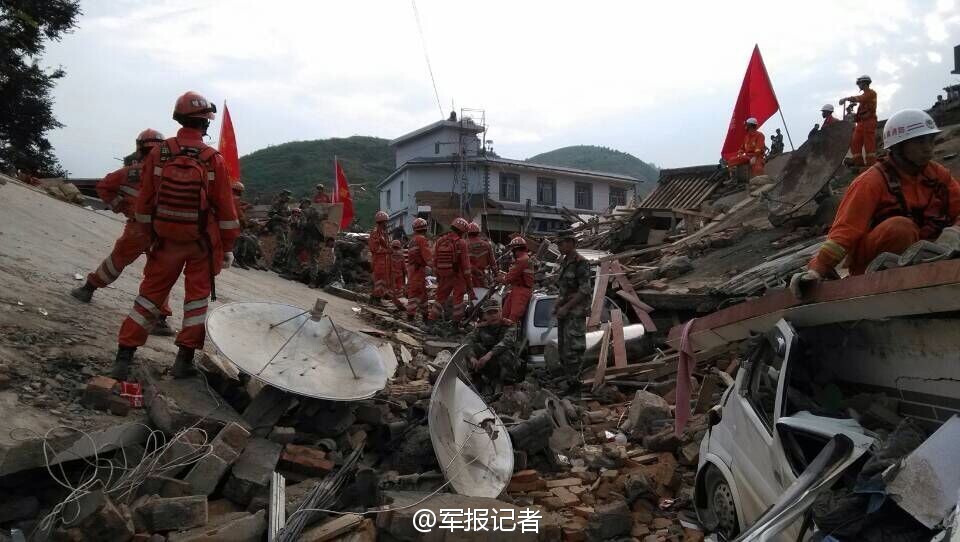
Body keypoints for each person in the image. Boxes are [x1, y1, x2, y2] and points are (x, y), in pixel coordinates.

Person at [112, 91, 240, 380]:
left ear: (179, 119)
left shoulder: (159, 153)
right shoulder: (213, 159)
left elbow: (145, 200)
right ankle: (183, 361)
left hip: (165, 240)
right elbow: (226, 209)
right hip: (201, 244)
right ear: (205, 123)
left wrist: (149, 234)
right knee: (196, 301)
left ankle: (124, 356)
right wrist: (228, 246)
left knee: (149, 296)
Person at [790, 109, 960, 297]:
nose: (928, 148)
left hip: (928, 255)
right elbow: (844, 233)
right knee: (900, 228)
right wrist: (817, 269)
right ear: (898, 146)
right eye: (920, 141)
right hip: (873, 265)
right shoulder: (871, 182)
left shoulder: (938, 175)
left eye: (930, 140)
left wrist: (955, 232)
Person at [71, 129, 175, 336]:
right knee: (160, 274)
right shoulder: (172, 174)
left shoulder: (130, 173)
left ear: (140, 148)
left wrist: (120, 205)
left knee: (117, 260)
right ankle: (160, 320)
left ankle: (88, 289)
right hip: (163, 231)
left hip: (138, 228)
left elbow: (103, 186)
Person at [552, 230, 591, 387]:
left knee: (573, 351)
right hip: (565, 313)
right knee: (563, 350)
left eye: (561, 243)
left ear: (570, 242)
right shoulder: (565, 261)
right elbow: (564, 290)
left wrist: (566, 307)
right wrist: (557, 304)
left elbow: (585, 290)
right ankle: (569, 382)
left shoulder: (581, 262)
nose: (558, 246)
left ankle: (575, 387)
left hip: (575, 313)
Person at [465, 298, 519, 392]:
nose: (493, 315)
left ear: (500, 312)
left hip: (506, 365)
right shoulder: (481, 327)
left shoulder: (509, 325)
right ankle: (477, 380)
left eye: (495, 312)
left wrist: (489, 355)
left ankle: (508, 384)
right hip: (488, 364)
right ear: (485, 315)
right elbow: (467, 341)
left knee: (506, 353)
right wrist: (472, 358)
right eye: (489, 313)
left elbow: (507, 341)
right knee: (471, 348)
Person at [431, 217, 474, 322]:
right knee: (458, 300)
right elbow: (466, 267)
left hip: (444, 275)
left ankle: (431, 319)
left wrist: (438, 276)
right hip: (457, 276)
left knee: (440, 298)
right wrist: (469, 285)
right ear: (463, 231)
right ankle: (455, 323)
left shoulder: (440, 240)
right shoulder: (461, 243)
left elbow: (434, 260)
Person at [841, 75, 878, 167]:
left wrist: (847, 98)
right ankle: (859, 165)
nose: (859, 85)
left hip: (869, 121)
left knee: (869, 145)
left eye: (859, 83)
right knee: (855, 142)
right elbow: (860, 110)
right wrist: (852, 116)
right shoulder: (863, 99)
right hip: (861, 123)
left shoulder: (871, 93)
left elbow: (861, 98)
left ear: (864, 83)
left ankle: (870, 165)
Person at [368, 211, 403, 309]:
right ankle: (376, 299)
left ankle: (375, 299)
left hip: (384, 261)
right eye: (385, 222)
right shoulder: (375, 232)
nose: (386, 224)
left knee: (382, 281)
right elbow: (374, 248)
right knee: (380, 281)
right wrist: (387, 250)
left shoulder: (383, 233)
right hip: (379, 261)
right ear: (381, 222)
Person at [499, 236, 534, 324]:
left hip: (521, 291)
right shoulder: (524, 259)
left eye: (512, 250)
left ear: (515, 249)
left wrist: (499, 278)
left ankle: (511, 332)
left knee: (513, 318)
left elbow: (508, 279)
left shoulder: (522, 260)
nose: (511, 252)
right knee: (504, 314)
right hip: (516, 288)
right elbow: (514, 275)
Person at [405, 217, 432, 322]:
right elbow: (427, 256)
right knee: (415, 293)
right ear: (425, 228)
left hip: (413, 269)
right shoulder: (421, 239)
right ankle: (410, 317)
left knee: (422, 294)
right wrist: (435, 267)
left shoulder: (413, 240)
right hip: (418, 269)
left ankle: (425, 316)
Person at [465, 222, 496, 288]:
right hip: (483, 278)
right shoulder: (487, 245)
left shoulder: (463, 245)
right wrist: (496, 275)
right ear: (478, 232)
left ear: (467, 232)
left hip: (468, 279)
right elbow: (493, 263)